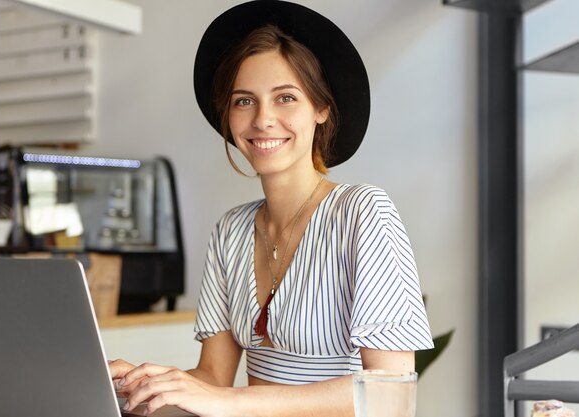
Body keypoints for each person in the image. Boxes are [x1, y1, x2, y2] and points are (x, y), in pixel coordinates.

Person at [111, 1, 434, 416]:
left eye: (285, 98)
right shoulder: (230, 231)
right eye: (244, 101)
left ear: (321, 109)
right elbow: (213, 378)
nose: (263, 119)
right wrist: (137, 386)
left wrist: (229, 400)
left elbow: (391, 392)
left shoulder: (363, 213)